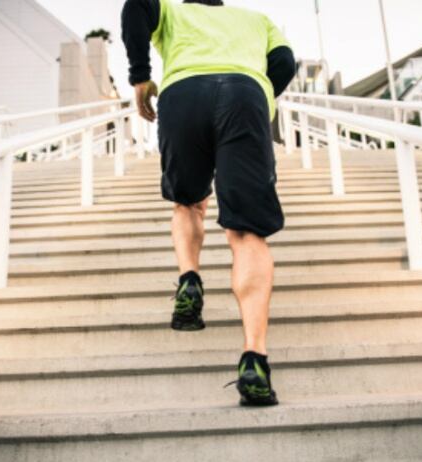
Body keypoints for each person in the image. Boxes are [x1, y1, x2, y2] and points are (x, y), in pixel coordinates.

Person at [121, 0, 296, 406]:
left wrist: (141, 78)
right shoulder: (256, 20)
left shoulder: (171, 11)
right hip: (245, 94)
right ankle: (254, 358)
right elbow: (285, 62)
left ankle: (189, 279)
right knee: (246, 230)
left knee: (188, 202)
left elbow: (136, 7)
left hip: (183, 95)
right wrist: (261, 93)